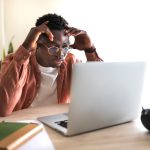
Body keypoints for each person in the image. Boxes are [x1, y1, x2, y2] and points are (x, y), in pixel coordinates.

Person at [0, 13, 103, 117]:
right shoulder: (13, 62)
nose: (61, 54)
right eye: (53, 48)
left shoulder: (71, 62)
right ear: (38, 43)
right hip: (24, 123)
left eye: (65, 47)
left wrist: (90, 50)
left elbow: (99, 92)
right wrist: (26, 46)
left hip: (56, 121)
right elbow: (2, 109)